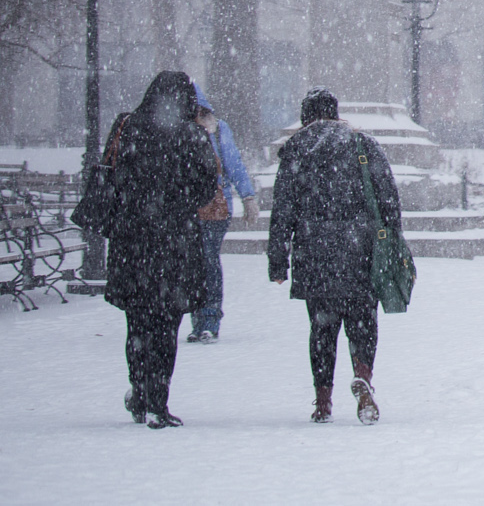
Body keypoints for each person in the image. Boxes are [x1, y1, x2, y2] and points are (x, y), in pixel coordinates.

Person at [268, 88, 402, 424]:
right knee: (363, 323)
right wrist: (392, 242)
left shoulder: (296, 149)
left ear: (306, 117)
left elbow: (282, 210)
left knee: (322, 328)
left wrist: (277, 258)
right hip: (360, 250)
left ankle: (323, 400)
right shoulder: (363, 145)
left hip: (315, 252)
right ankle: (363, 379)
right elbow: (388, 199)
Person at [103, 70, 219, 428]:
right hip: (175, 243)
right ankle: (158, 401)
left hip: (132, 242)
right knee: (166, 325)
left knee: (138, 323)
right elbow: (205, 185)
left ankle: (139, 391)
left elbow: (112, 176)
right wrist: (177, 204)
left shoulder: (128, 126)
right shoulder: (192, 134)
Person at [188, 81, 258, 343]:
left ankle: (208, 319)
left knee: (206, 259)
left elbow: (233, 163)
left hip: (214, 207)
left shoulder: (217, 129)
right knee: (197, 263)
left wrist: (248, 196)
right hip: (191, 208)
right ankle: (200, 319)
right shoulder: (192, 130)